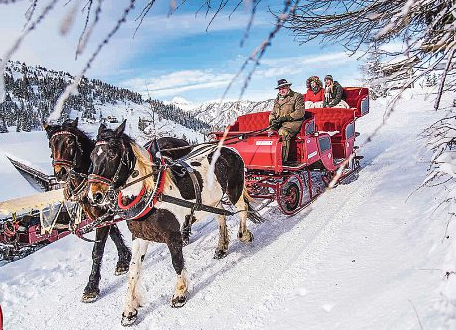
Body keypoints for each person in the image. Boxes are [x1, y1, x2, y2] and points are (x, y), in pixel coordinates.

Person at [269, 78, 311, 163]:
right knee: (270, 132)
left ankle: (281, 160)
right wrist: (272, 120)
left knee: (283, 132)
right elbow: (272, 113)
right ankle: (269, 159)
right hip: (280, 122)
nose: (281, 90)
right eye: (280, 89)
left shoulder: (297, 96)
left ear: (288, 87)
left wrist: (285, 117)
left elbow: (300, 113)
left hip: (294, 122)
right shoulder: (277, 100)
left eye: (283, 88)